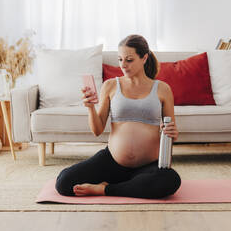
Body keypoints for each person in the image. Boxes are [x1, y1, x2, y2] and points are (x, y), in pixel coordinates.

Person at [55, 34, 181, 199]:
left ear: (144, 58)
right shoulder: (110, 86)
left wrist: (173, 133)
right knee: (64, 182)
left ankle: (105, 189)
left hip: (148, 165)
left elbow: (172, 133)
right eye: (120, 59)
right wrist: (90, 107)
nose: (123, 65)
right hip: (112, 162)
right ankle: (129, 187)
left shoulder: (162, 89)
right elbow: (97, 130)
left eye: (129, 60)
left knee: (170, 180)